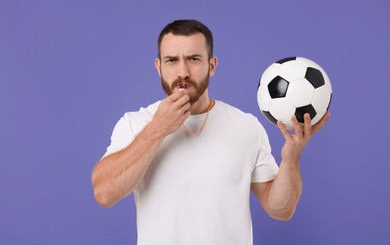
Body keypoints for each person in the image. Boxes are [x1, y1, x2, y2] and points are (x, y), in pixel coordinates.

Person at [91, 19, 330, 245]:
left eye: (193, 58)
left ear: (212, 65)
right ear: (159, 67)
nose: (182, 71)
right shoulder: (135, 123)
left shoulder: (246, 126)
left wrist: (291, 159)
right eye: (172, 60)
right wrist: (157, 129)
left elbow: (280, 210)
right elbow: (104, 193)